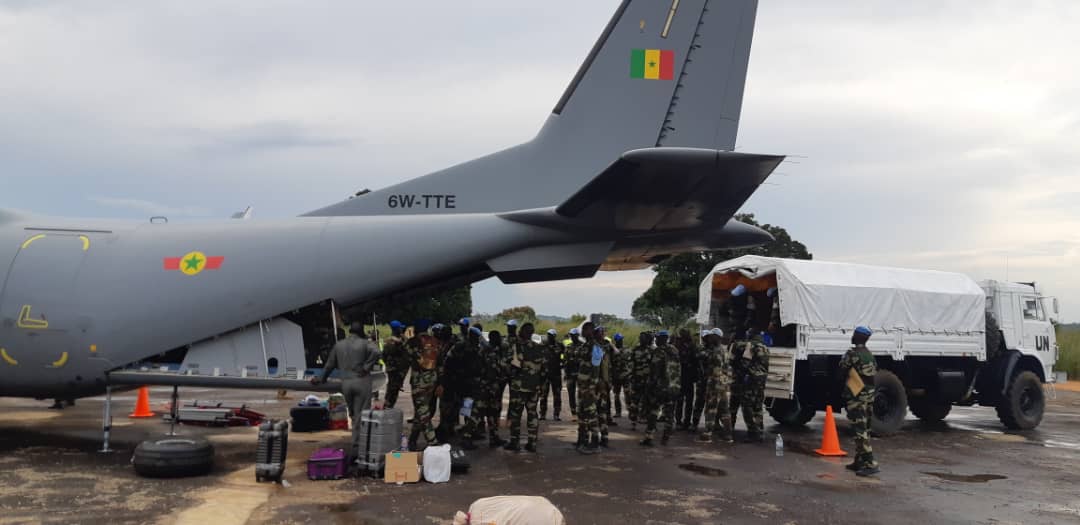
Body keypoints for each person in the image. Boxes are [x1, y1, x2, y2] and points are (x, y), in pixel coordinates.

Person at [312, 321, 382, 460]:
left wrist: (321, 379)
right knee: (361, 417)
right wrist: (367, 366)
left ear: (350, 331)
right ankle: (358, 451)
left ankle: (356, 446)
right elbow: (377, 352)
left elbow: (329, 365)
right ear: (361, 331)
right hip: (361, 382)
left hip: (346, 384)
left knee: (354, 416)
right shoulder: (365, 343)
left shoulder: (339, 345)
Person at [840, 326, 880, 477]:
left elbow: (842, 368)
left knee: (859, 430)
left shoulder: (852, 354)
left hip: (856, 397)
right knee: (865, 428)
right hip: (869, 396)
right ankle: (859, 461)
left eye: (854, 334)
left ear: (857, 337)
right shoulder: (869, 354)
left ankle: (870, 463)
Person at [504, 323, 547, 452]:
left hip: (519, 387)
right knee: (533, 414)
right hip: (534, 387)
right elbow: (544, 370)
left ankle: (514, 442)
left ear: (522, 331)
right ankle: (532, 442)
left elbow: (509, 365)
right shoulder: (539, 348)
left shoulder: (516, 347)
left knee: (516, 415)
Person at [405, 320, 441, 450]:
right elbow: (440, 362)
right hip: (432, 380)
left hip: (419, 382)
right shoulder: (435, 342)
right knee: (421, 411)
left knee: (423, 412)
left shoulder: (413, 342)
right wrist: (439, 383)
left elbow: (407, 358)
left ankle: (433, 443)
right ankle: (413, 439)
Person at [730, 328, 769, 443]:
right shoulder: (765, 347)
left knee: (747, 407)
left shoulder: (750, 346)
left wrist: (739, 375)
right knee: (758, 406)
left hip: (751, 380)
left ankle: (752, 433)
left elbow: (745, 363)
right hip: (761, 381)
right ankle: (760, 431)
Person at [641, 330, 679, 446]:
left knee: (653, 411)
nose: (655, 340)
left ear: (663, 338)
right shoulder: (674, 351)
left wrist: (649, 387)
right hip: (674, 386)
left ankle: (649, 437)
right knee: (669, 414)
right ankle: (665, 438)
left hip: (660, 388)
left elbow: (654, 372)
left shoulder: (658, 352)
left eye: (657, 338)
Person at [698, 329, 734, 443]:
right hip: (724, 383)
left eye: (712, 336)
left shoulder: (716, 351)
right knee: (724, 410)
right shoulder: (724, 350)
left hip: (715, 382)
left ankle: (708, 433)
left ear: (717, 337)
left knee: (711, 408)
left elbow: (714, 368)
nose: (709, 338)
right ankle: (728, 434)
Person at [574, 322, 604, 454]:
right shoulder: (585, 345)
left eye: (584, 330)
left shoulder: (595, 346)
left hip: (589, 388)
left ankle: (595, 442)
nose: (582, 332)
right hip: (582, 386)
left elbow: (596, 369)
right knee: (582, 414)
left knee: (591, 415)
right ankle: (582, 440)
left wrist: (592, 388)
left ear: (590, 331)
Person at [479, 330, 509, 449]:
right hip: (488, 386)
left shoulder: (486, 350)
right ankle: (467, 436)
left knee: (492, 412)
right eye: (498, 338)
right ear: (494, 339)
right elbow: (501, 368)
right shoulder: (491, 352)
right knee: (479, 412)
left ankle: (494, 437)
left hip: (490, 386)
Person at [675, 329, 701, 431]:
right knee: (680, 401)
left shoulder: (692, 346)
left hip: (688, 377)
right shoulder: (678, 345)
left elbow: (696, 361)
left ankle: (686, 421)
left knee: (688, 401)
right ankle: (678, 421)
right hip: (681, 377)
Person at [628, 331, 654, 431]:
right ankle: (633, 422)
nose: (641, 339)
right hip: (637, 380)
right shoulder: (635, 350)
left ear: (647, 339)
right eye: (640, 337)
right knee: (634, 402)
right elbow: (631, 364)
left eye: (643, 338)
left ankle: (650, 424)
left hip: (648, 381)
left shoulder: (652, 351)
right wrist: (632, 376)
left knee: (649, 403)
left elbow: (654, 366)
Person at [381, 320, 410, 409]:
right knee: (393, 389)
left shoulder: (389, 341)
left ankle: (388, 404)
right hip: (396, 369)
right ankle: (388, 405)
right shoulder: (397, 341)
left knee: (392, 387)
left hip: (394, 368)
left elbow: (384, 355)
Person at [539, 328, 565, 421]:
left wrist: (562, 363)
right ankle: (542, 414)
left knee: (557, 395)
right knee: (543, 395)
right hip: (544, 374)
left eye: (551, 335)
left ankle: (556, 414)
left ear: (554, 336)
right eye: (548, 335)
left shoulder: (560, 346)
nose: (549, 337)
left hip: (556, 374)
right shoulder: (542, 345)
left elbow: (565, 356)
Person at [609, 333, 630, 421]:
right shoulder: (612, 350)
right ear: (616, 340)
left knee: (628, 394)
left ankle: (630, 411)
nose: (621, 341)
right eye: (619, 340)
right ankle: (618, 412)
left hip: (625, 375)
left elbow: (626, 358)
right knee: (616, 395)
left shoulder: (626, 349)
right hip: (616, 376)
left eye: (621, 339)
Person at [564, 328, 581, 421]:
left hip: (580, 373)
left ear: (577, 336)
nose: (572, 337)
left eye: (574, 335)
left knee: (581, 393)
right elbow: (565, 361)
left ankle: (581, 411)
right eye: (571, 335)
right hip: (570, 374)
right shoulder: (568, 347)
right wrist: (565, 374)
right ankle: (573, 412)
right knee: (571, 393)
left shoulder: (582, 346)